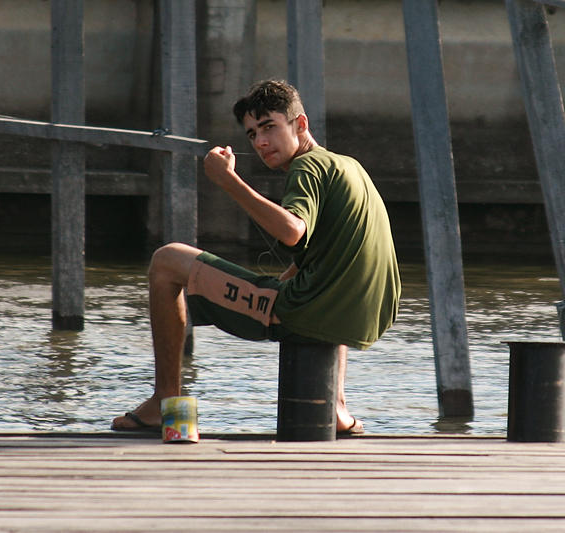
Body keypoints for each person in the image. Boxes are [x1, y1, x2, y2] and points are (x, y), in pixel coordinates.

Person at [111, 79, 400, 434]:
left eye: (269, 127)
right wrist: (280, 282)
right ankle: (337, 408)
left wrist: (228, 181)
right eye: (252, 135)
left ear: (301, 124)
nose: (261, 142)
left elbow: (293, 230)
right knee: (298, 279)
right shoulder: (347, 166)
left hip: (312, 310)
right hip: (363, 316)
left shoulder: (307, 168)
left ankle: (163, 401)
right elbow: (328, 249)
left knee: (167, 260)